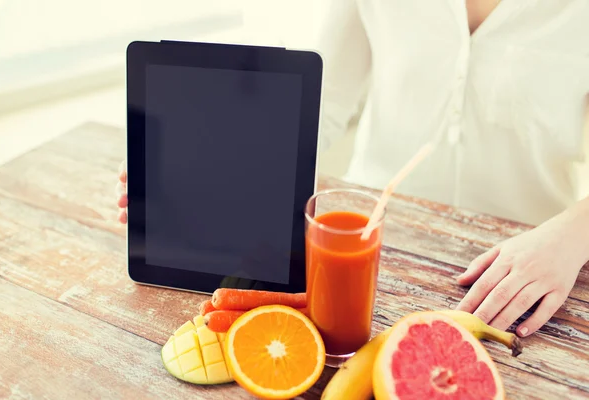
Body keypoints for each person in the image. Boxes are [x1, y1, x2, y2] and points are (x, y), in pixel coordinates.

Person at [116, 0, 589, 337]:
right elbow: (321, 104)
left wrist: (572, 236)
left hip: (527, 263)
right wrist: (200, 161)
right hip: (368, 244)